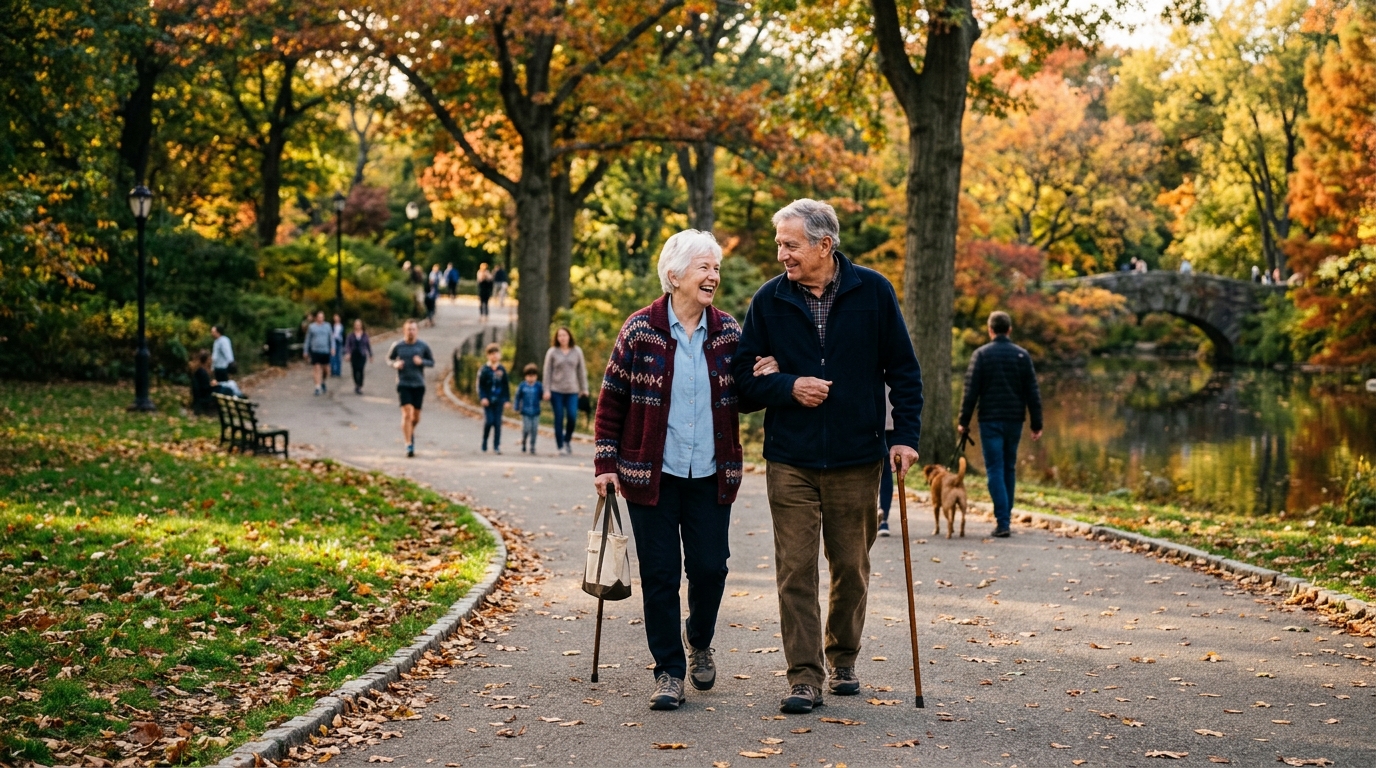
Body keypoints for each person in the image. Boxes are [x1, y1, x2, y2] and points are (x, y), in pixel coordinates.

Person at [733, 198, 923, 715]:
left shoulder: (874, 292)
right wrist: (788, 386)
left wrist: (904, 437)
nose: (782, 255)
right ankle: (803, 677)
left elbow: (903, 370)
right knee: (794, 570)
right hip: (790, 458)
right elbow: (742, 385)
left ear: (824, 244)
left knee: (851, 567)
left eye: (790, 245)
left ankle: (842, 658)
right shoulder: (769, 301)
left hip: (857, 458)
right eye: (779, 244)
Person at [594, 229, 770, 711]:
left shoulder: (730, 333)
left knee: (710, 568)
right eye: (704, 268)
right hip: (650, 475)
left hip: (712, 474)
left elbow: (746, 399)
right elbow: (612, 401)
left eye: (716, 268)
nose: (713, 276)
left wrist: (766, 377)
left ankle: (699, 637)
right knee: (660, 573)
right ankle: (669, 670)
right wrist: (605, 463)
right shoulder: (639, 330)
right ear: (674, 276)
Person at [958, 310, 1044, 538]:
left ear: (990, 330)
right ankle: (1006, 516)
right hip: (1015, 420)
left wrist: (963, 421)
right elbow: (1032, 392)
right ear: (1009, 330)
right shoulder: (1022, 356)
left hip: (990, 420)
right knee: (1009, 467)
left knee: (995, 468)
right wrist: (1037, 424)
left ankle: (1002, 520)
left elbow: (970, 392)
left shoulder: (981, 355)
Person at [388, 319, 434, 457]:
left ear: (417, 331)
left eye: (413, 329)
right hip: (403, 383)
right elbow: (389, 359)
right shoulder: (398, 346)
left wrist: (422, 362)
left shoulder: (423, 346)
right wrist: (395, 364)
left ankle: (409, 431)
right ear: (404, 330)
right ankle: (408, 444)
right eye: (409, 329)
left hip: (419, 384)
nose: (411, 332)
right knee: (407, 414)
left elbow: (432, 362)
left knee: (416, 418)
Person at [543, 327, 588, 455]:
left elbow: (581, 371)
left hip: (572, 390)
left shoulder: (577, 351)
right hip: (556, 390)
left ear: (569, 336)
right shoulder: (552, 352)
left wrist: (584, 388)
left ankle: (567, 440)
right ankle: (560, 445)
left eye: (564, 335)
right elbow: (547, 372)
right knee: (559, 417)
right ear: (557, 338)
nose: (562, 338)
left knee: (572, 416)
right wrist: (546, 390)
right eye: (560, 336)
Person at [476, 342, 509, 453]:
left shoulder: (502, 370)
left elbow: (505, 385)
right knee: (489, 421)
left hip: (498, 400)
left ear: (499, 355)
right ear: (488, 355)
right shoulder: (484, 370)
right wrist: (483, 397)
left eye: (496, 353)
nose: (494, 356)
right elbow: (480, 385)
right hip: (488, 400)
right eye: (492, 354)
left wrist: (506, 399)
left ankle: (496, 445)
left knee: (497, 423)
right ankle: (485, 440)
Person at [513, 363, 543, 454]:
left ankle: (532, 445)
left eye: (533, 376)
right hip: (525, 411)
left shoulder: (538, 386)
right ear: (526, 376)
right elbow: (518, 397)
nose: (531, 378)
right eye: (529, 376)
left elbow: (542, 395)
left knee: (534, 429)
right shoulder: (522, 386)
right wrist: (516, 407)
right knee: (526, 428)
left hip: (535, 411)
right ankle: (524, 441)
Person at [877, 388, 895, 537]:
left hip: (883, 418)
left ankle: (882, 517)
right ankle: (882, 518)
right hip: (887, 417)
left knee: (885, 469)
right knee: (885, 470)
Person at [304, 311, 334, 396]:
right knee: (316, 368)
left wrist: (333, 348)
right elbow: (308, 339)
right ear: (316, 318)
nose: (321, 319)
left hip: (325, 350)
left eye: (322, 317)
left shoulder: (327, 326)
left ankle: (323, 381)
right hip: (315, 351)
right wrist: (305, 351)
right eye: (319, 317)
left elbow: (331, 338)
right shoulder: (312, 327)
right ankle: (317, 387)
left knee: (326, 370)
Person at [344, 319, 372, 395]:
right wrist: (348, 353)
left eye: (359, 325)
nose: (358, 326)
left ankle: (360, 385)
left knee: (361, 369)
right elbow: (348, 345)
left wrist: (370, 355)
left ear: (361, 326)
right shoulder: (351, 335)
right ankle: (356, 384)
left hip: (362, 355)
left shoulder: (365, 335)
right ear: (354, 326)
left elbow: (368, 345)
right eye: (356, 325)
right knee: (355, 370)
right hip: (354, 355)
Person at [190, 350, 216, 415]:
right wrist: (213, 385)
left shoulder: (198, 370)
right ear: (207, 360)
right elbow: (205, 388)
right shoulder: (202, 372)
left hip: (201, 395)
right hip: (204, 396)